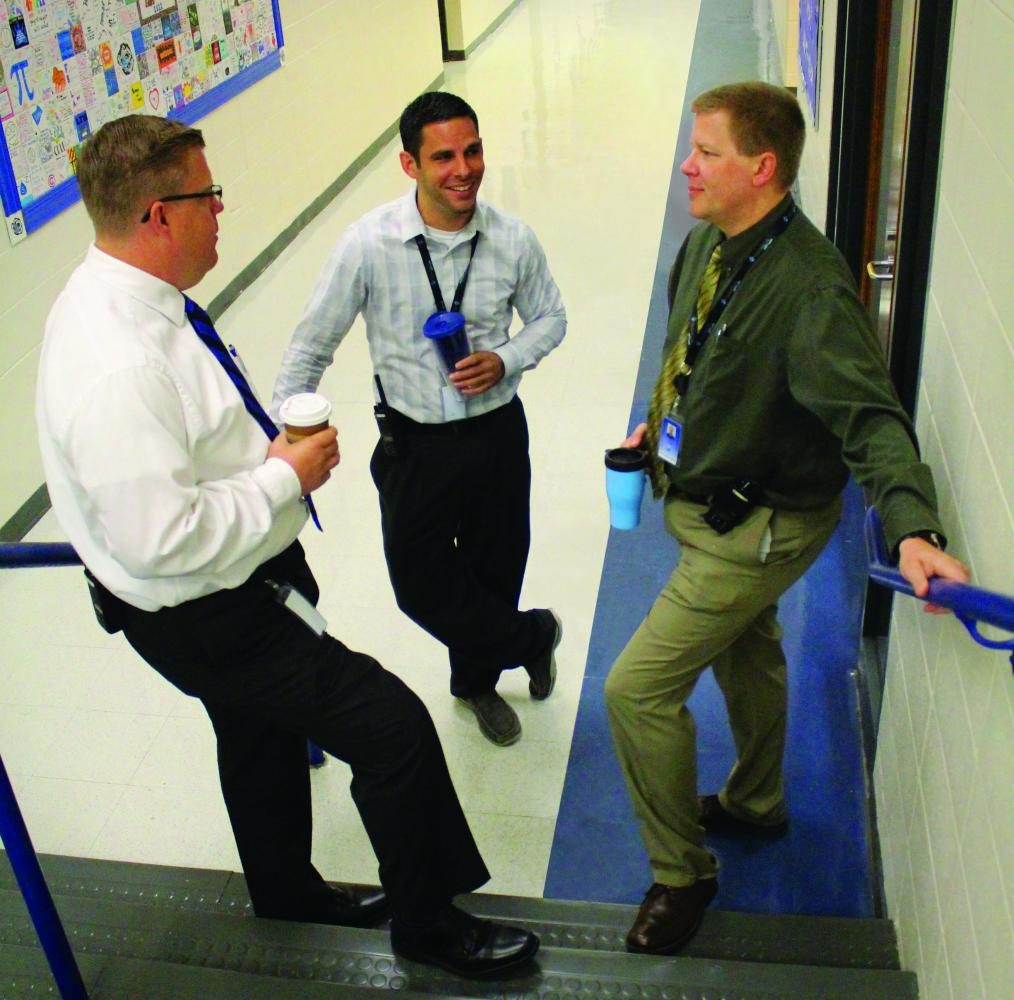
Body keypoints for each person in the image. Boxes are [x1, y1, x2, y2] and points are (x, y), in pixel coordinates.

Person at [35, 113, 540, 980]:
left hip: (227, 583)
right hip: (212, 611)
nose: (222, 211)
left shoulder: (129, 300)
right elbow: (160, 540)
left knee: (257, 733)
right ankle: (430, 928)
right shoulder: (117, 363)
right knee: (394, 730)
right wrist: (285, 477)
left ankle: (285, 890)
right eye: (209, 196)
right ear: (159, 213)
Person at [603, 81, 970, 956]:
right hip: (703, 494)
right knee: (746, 647)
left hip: (758, 526)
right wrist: (663, 421)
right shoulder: (706, 246)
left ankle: (681, 874)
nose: (687, 165)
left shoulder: (810, 292)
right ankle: (755, 803)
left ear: (762, 169)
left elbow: (873, 418)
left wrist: (914, 528)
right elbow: (693, 349)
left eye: (708, 152)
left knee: (636, 690)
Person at [271, 91, 567, 748]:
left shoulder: (513, 240)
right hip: (413, 447)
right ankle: (533, 635)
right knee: (420, 586)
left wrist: (506, 358)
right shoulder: (368, 246)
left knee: (494, 571)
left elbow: (552, 317)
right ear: (409, 164)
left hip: (494, 435)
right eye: (443, 157)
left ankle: (476, 683)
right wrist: (284, 436)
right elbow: (312, 345)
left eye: (473, 151)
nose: (463, 170)